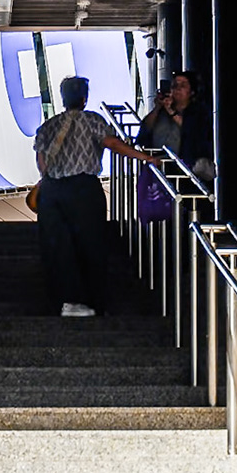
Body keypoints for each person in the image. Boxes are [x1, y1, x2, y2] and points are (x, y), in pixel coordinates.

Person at [34, 76, 154, 317]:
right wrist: (145, 158)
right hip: (84, 189)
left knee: (58, 247)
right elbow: (112, 144)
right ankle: (93, 301)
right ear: (84, 99)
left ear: (63, 98)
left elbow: (41, 161)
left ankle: (64, 301)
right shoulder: (92, 120)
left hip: (52, 192)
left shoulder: (48, 126)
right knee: (90, 244)